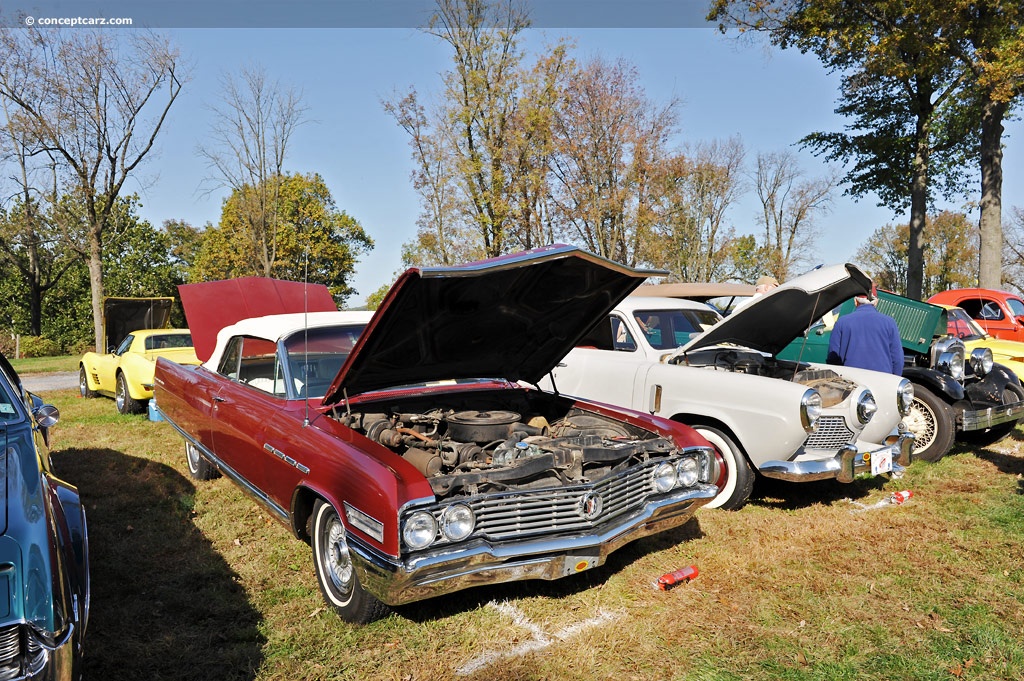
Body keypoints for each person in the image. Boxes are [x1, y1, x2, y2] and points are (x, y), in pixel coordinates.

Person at [827, 287, 904, 375]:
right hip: (882, 381)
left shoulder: (841, 322)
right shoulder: (889, 323)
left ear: (855, 301)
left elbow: (833, 358)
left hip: (851, 381)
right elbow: (898, 359)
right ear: (876, 302)